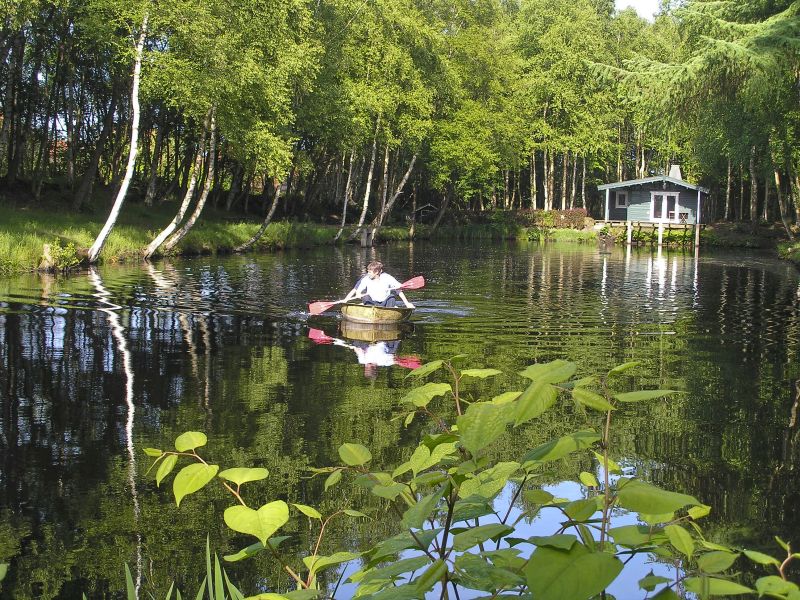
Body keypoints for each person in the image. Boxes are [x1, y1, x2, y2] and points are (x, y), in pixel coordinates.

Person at [342, 261, 415, 308]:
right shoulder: (366, 279)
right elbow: (358, 291)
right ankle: (369, 310)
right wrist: (359, 295)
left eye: (370, 272)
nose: (368, 274)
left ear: (376, 272)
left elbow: (399, 290)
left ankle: (389, 311)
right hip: (371, 303)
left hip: (385, 303)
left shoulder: (387, 277)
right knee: (365, 296)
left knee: (391, 297)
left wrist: (407, 303)